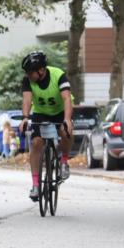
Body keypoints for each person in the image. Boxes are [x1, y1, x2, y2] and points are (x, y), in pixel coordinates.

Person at [18, 51, 73, 201]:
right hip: (41, 113)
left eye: (31, 72)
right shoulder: (28, 81)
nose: (28, 75)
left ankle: (63, 162)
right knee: (36, 143)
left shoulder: (58, 75)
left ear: (41, 70)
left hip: (61, 112)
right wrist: (25, 118)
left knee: (66, 131)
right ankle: (36, 185)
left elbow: (67, 98)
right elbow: (27, 100)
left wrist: (67, 119)